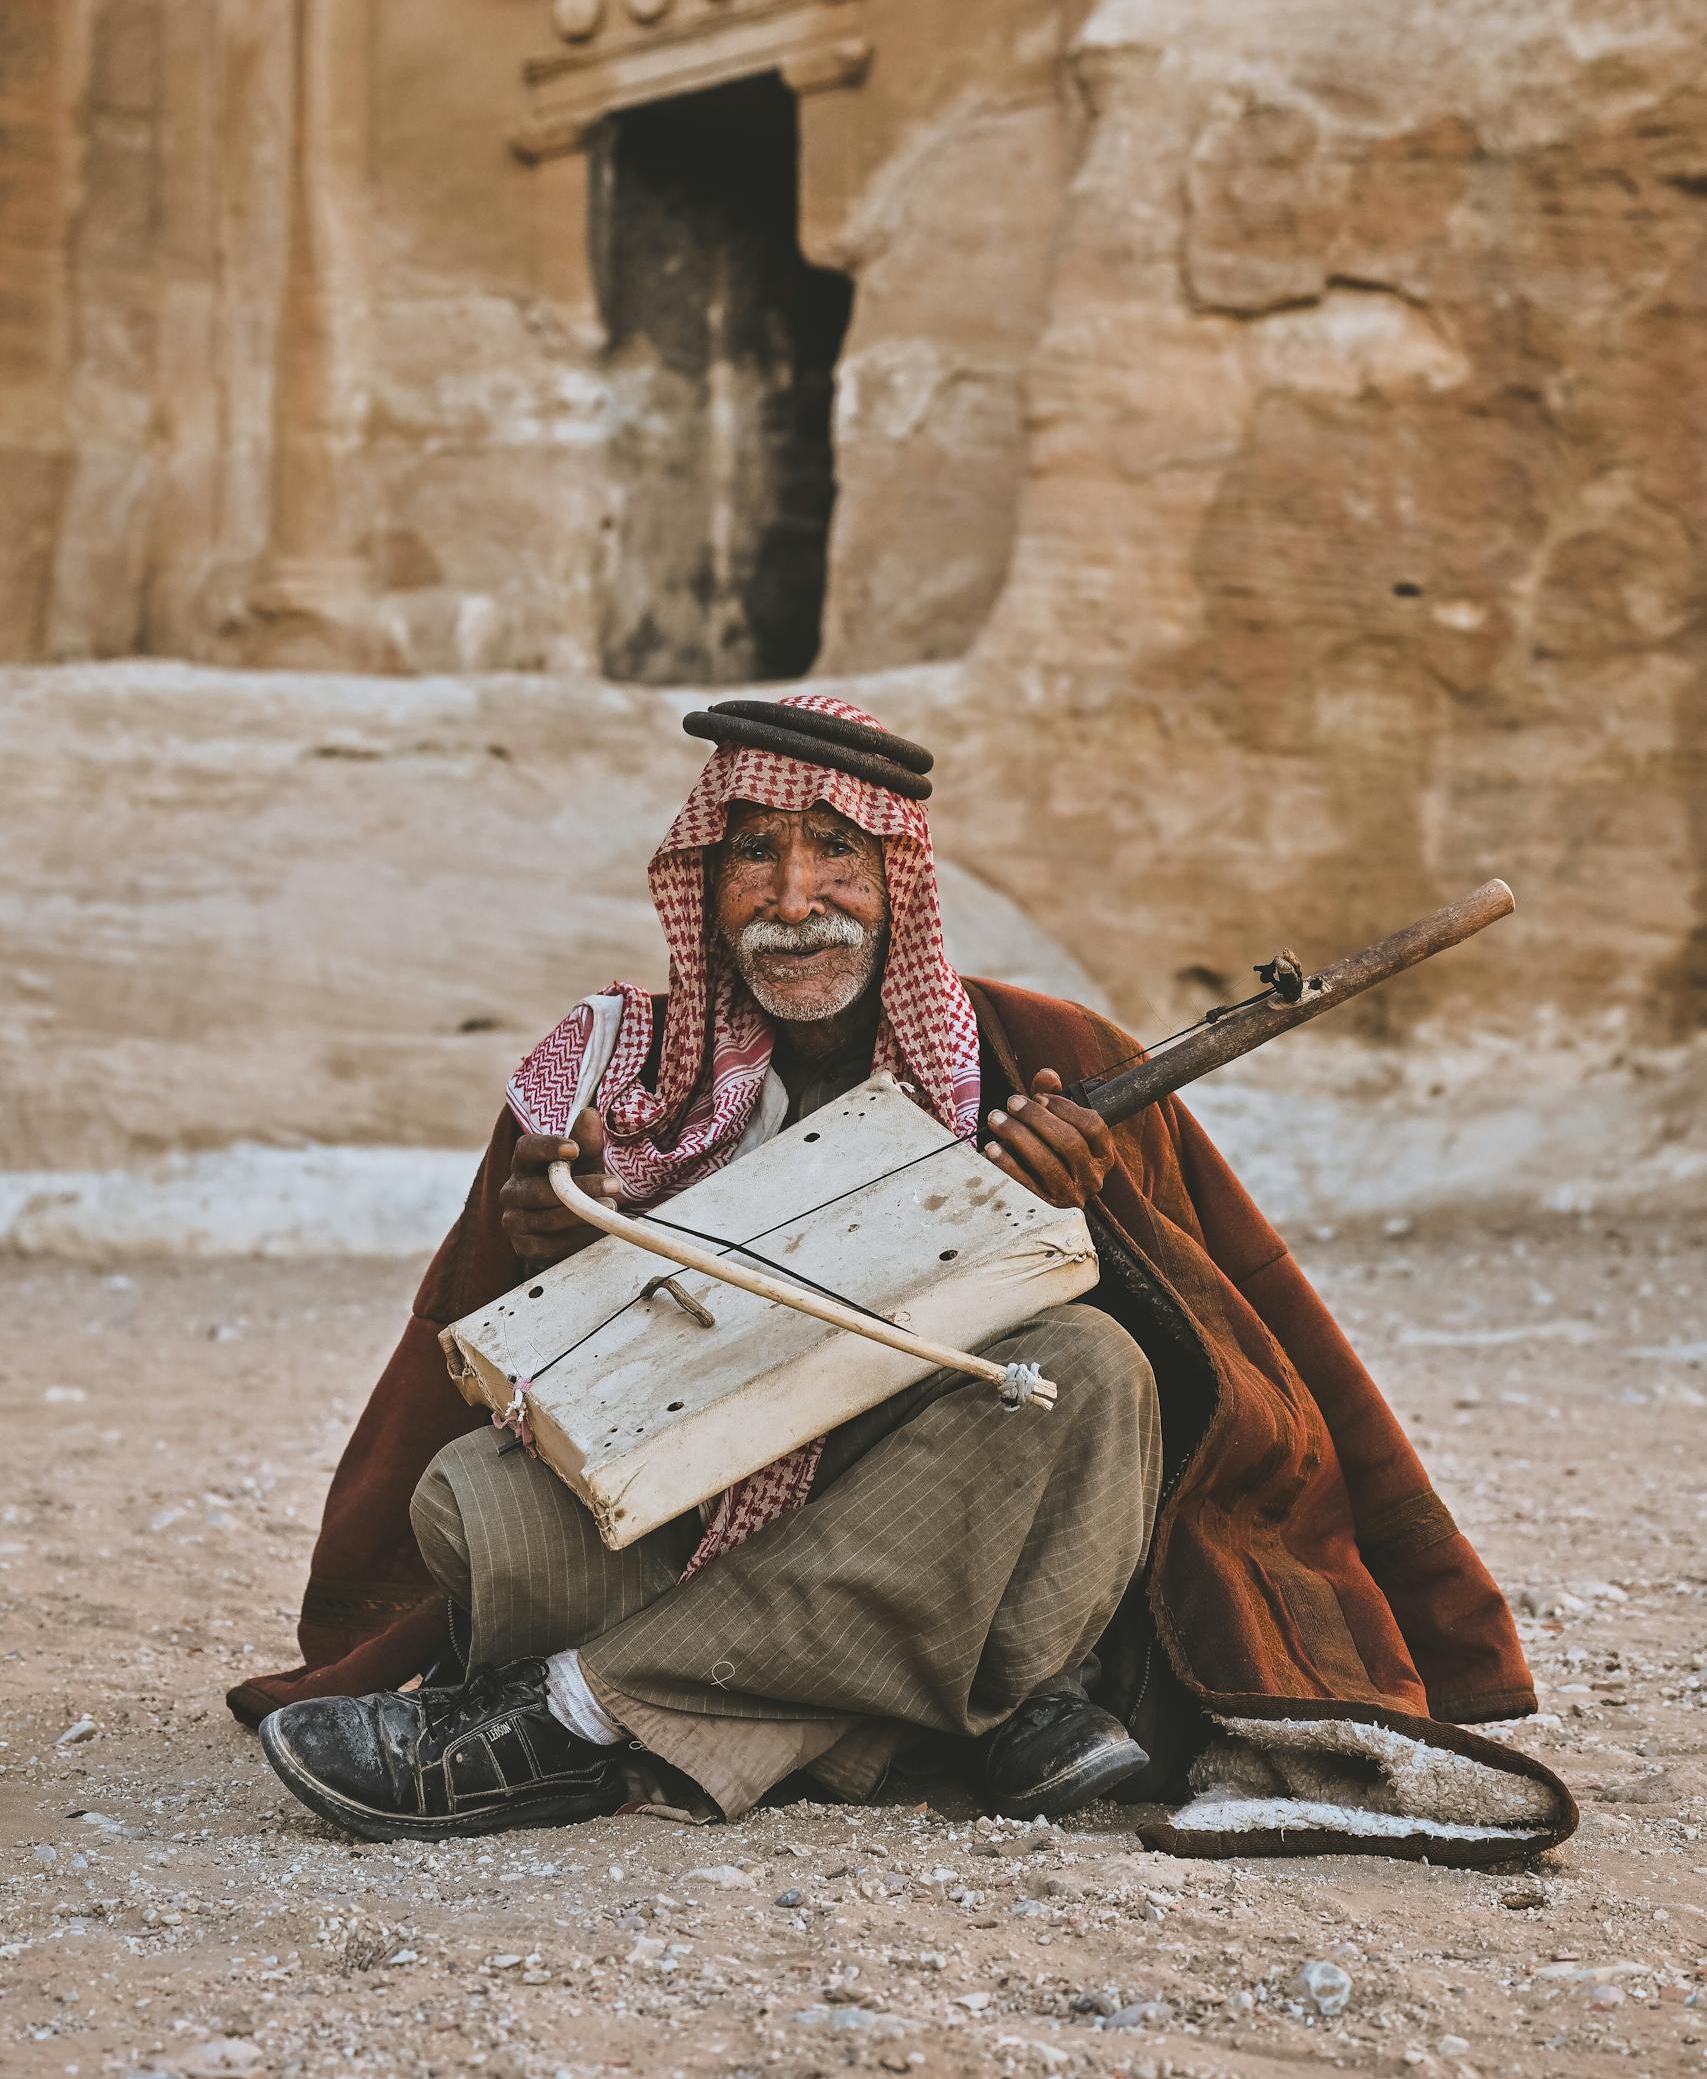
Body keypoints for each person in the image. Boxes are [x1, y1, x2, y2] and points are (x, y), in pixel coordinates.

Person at [240, 694, 1553, 1851]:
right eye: (753, 852)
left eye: (835, 851)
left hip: (973, 1517)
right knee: (473, 1504)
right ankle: (960, 1721)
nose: (794, 895)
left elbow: (1222, 1345)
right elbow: (485, 1362)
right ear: (703, 880)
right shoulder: (616, 1074)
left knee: (1087, 1371)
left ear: (900, 876)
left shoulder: (1043, 1050)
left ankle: (574, 1715)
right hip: (716, 1540)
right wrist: (560, 1223)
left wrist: (1070, 1221)